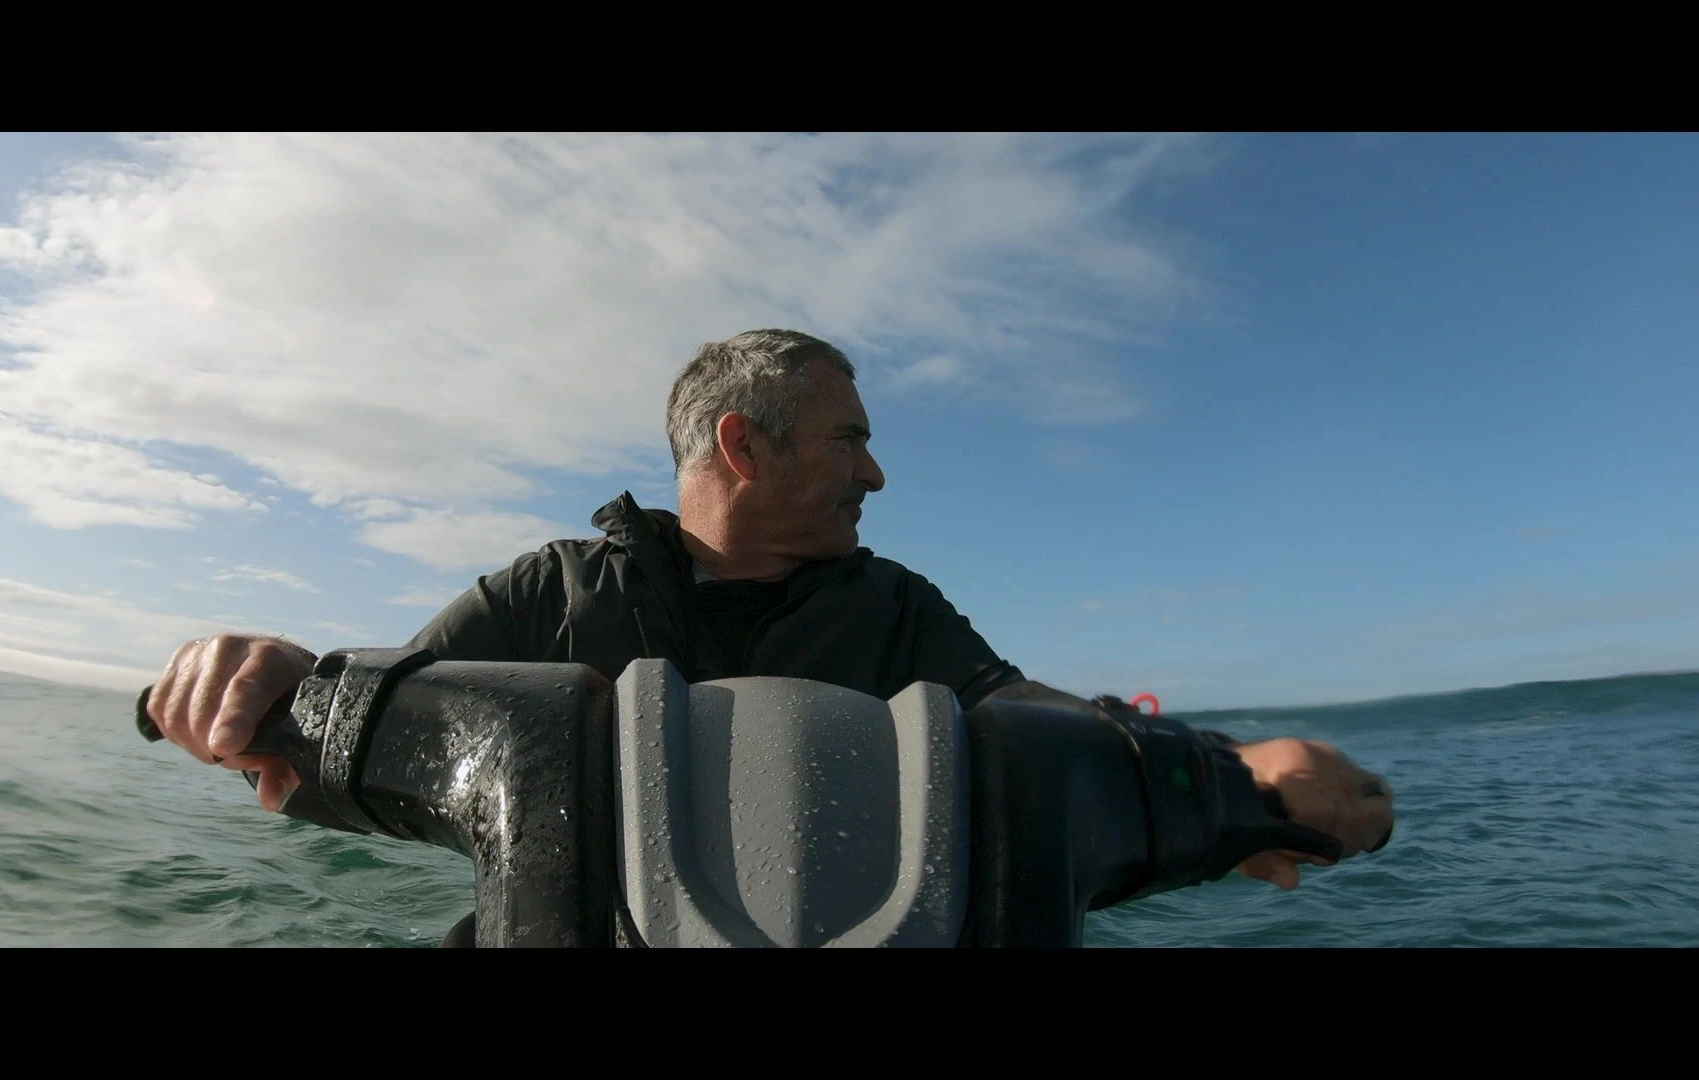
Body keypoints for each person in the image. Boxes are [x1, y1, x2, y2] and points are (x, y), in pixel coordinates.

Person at [146, 329, 1395, 916]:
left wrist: (1222, 772)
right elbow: (375, 745)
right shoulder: (549, 595)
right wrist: (255, 685)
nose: (876, 473)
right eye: (852, 438)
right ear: (744, 446)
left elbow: (1030, 722)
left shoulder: (896, 608)